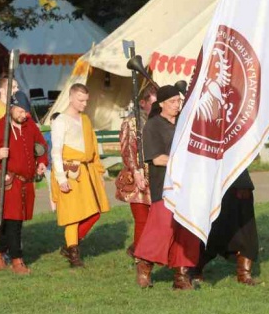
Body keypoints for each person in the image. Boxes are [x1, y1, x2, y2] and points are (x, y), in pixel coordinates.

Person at [134, 84, 201, 290]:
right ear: (161, 104)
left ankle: (181, 274)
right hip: (164, 185)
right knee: (161, 228)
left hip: (187, 185)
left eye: (178, 101)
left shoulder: (185, 124)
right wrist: (182, 159)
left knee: (186, 230)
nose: (177, 105)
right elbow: (156, 159)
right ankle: (144, 266)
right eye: (172, 102)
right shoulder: (153, 126)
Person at [0, 92, 48, 274]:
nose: (23, 114)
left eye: (25, 111)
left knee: (11, 223)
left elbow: (41, 146)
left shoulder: (30, 126)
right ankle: (17, 261)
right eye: (20, 110)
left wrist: (41, 162)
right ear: (11, 108)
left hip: (25, 183)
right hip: (7, 182)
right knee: (14, 224)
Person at [50, 83, 110, 268]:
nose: (84, 104)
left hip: (87, 170)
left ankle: (70, 245)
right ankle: (74, 254)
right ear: (71, 97)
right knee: (73, 216)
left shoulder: (85, 120)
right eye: (80, 100)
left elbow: (93, 147)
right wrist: (61, 179)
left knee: (94, 212)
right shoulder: (60, 120)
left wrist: (99, 171)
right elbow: (56, 152)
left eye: (86, 100)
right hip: (70, 171)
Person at [194, 169, 260, 285]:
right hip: (210, 171)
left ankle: (244, 273)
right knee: (212, 227)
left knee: (245, 226)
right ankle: (195, 267)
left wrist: (242, 181)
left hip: (238, 177)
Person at [115, 85, 156, 258]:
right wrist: (136, 171)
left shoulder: (161, 120)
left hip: (157, 175)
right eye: (154, 104)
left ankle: (137, 249)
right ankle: (141, 258)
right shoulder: (132, 123)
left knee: (156, 221)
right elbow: (128, 150)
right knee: (142, 220)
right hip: (137, 176)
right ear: (142, 103)